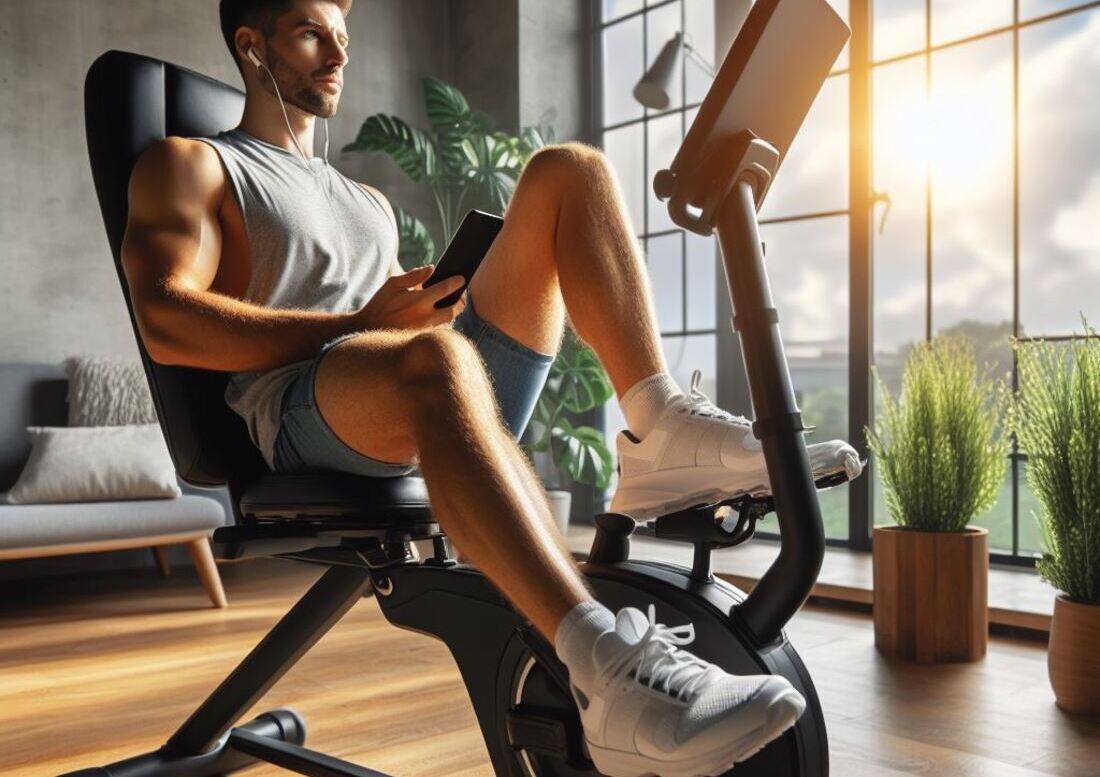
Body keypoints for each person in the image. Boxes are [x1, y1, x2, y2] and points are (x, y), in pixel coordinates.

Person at [121, 1, 864, 774]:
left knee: (568, 171)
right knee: (435, 363)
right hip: (300, 414)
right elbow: (166, 320)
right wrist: (361, 323)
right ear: (252, 45)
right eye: (311, 34)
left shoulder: (366, 202)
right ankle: (605, 668)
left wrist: (410, 317)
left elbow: (390, 337)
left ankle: (657, 424)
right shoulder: (197, 164)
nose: (337, 54)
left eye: (342, 36)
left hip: (413, 392)